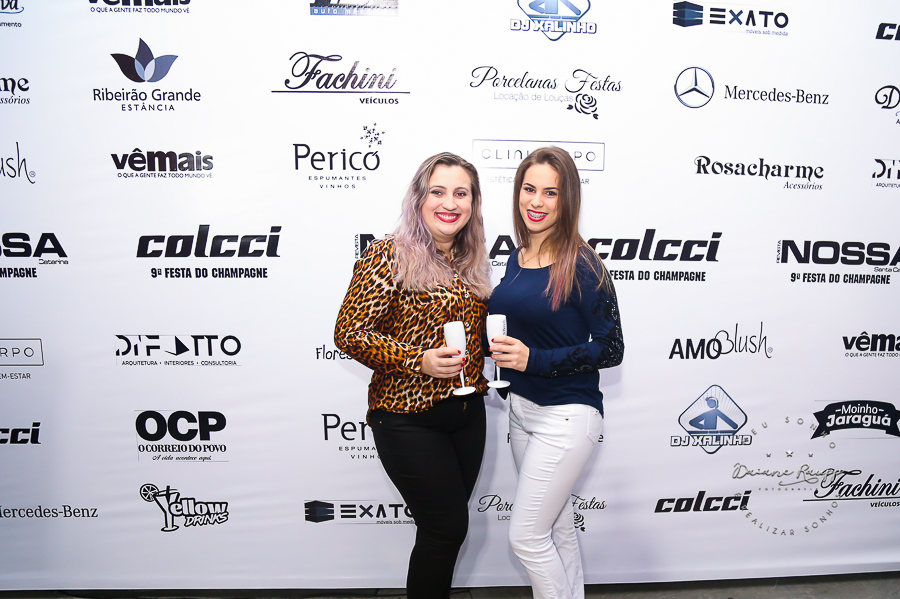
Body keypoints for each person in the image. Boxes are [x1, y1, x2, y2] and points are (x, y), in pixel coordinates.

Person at [334, 152, 492, 599]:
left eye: (461, 193)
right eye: (438, 192)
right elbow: (349, 332)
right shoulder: (388, 253)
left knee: (444, 529)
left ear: (473, 203)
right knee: (446, 528)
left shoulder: (471, 259)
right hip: (406, 416)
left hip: (467, 413)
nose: (450, 203)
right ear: (419, 198)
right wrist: (416, 359)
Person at [488, 146, 624, 599]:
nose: (537, 201)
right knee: (557, 530)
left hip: (566, 416)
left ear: (568, 200)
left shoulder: (583, 263)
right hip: (521, 411)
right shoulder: (518, 255)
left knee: (526, 538)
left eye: (551, 192)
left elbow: (611, 348)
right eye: (529, 189)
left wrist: (536, 360)